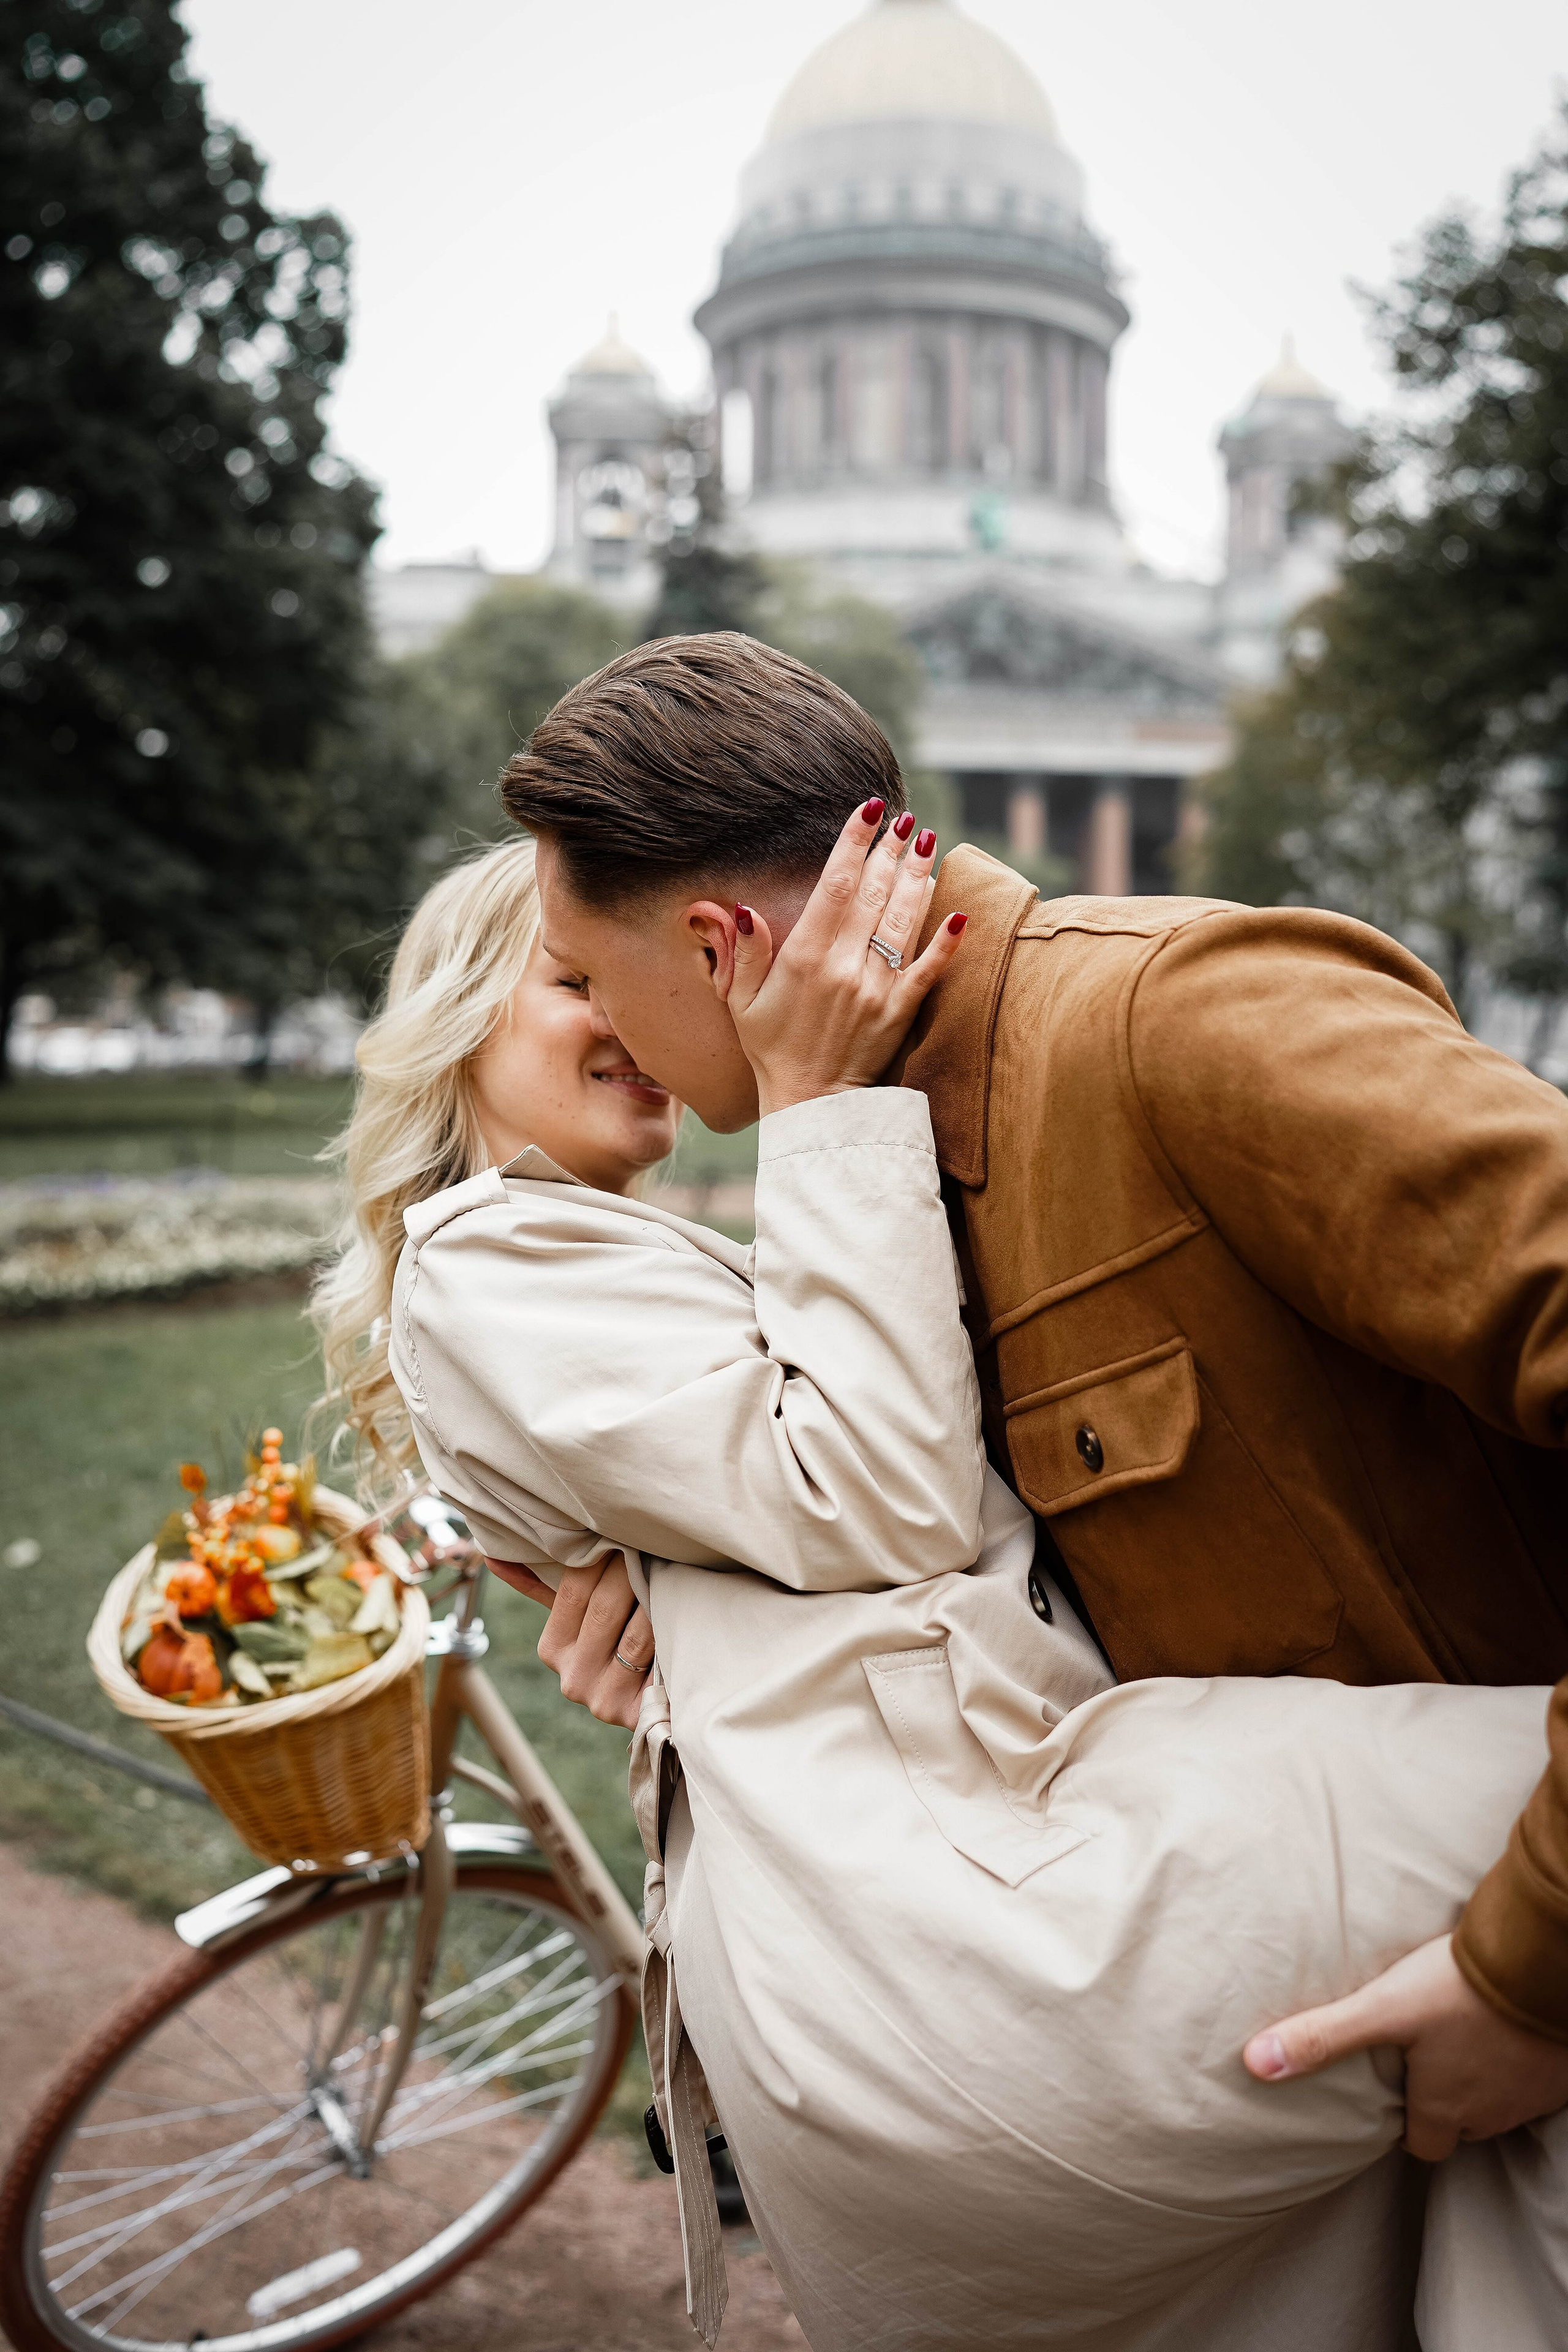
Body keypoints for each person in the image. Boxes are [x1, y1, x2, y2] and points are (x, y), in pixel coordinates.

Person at [318, 819, 1563, 2351]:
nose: (630, 1020)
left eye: (619, 975)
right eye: (568, 979)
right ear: (456, 1014)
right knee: (1540, 1835)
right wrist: (816, 1102)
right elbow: (879, 1493)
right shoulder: (490, 1261)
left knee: (1469, 2195)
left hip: (937, 1902)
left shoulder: (574, 1257)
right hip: (978, 1887)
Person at [496, 631, 1568, 2170]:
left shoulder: (1179, 1020)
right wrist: (701, 1613)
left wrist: (1526, 1967)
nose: (596, 1023)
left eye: (588, 974)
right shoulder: (858, 1165)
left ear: (720, 948)